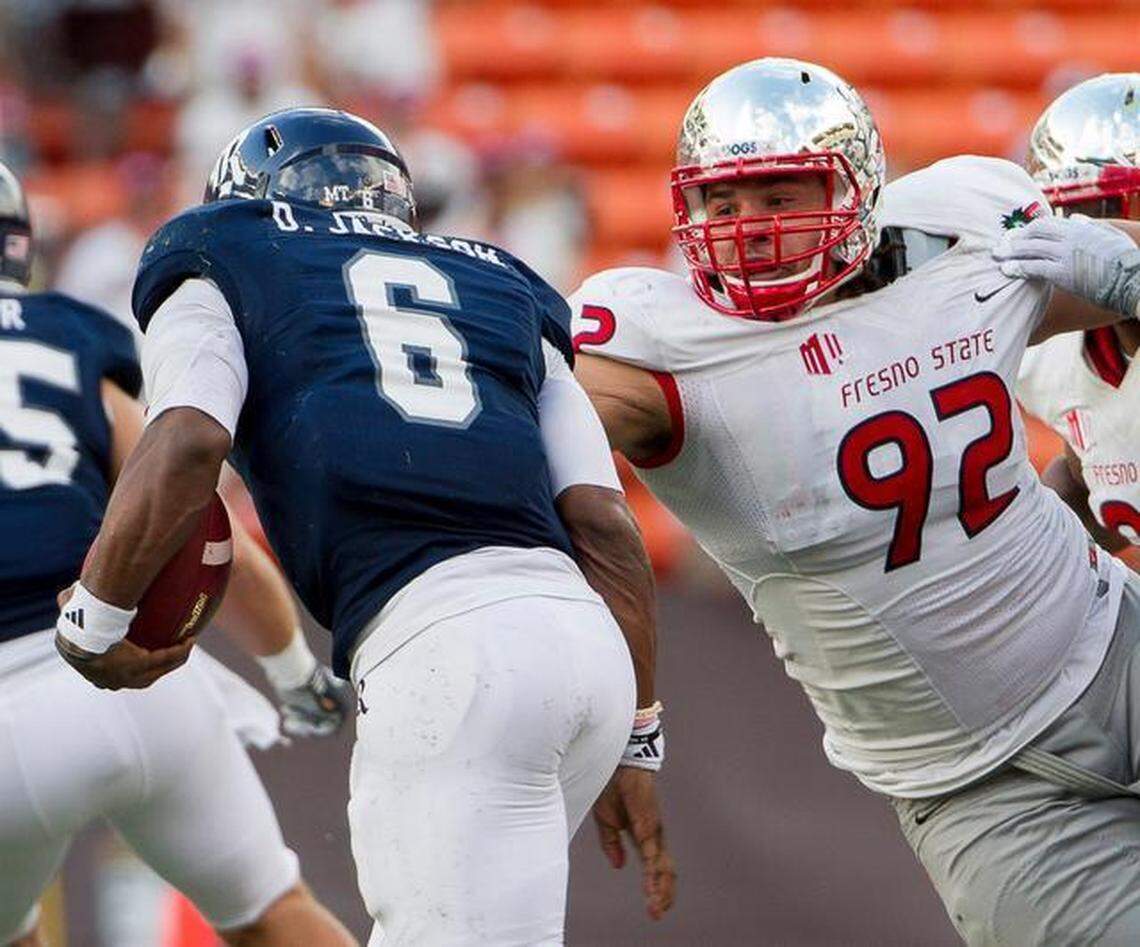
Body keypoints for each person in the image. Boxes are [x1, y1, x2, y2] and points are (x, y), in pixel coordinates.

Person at [55, 107, 674, 945]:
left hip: (446, 650)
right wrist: (637, 738)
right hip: (585, 648)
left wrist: (96, 616)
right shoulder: (500, 276)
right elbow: (606, 524)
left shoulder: (219, 249)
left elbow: (190, 437)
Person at [570, 56, 1140, 945]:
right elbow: (541, 446)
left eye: (778, 196)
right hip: (977, 785)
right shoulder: (662, 347)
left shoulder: (960, 226)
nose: (748, 228)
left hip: (1118, 643)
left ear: (857, 186)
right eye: (723, 204)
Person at [0, 159, 355, 946]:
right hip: (131, 677)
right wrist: (297, 676)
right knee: (273, 913)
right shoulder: (65, 335)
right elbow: (176, 503)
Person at [1016, 73, 1140, 553]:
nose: (1086, 236)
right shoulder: (1056, 359)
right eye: (1074, 215)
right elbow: (1089, 478)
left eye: (1111, 210)